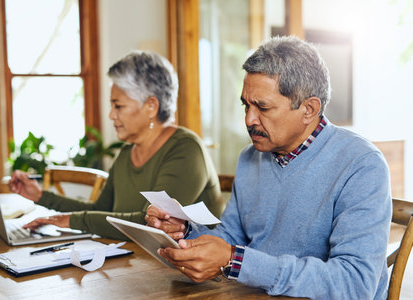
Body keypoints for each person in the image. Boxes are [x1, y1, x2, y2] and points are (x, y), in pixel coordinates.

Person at [146, 36, 392, 300]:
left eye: (263, 107)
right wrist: (184, 233)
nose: (250, 119)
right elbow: (232, 237)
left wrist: (237, 261)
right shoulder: (250, 158)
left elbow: (354, 284)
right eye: (246, 105)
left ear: (309, 109)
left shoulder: (362, 165)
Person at [9, 51, 224, 240]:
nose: (112, 115)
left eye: (118, 106)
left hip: (192, 279)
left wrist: (70, 220)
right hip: (139, 266)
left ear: (151, 106)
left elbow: (148, 223)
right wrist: (40, 196)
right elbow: (100, 211)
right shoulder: (126, 152)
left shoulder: (186, 150)